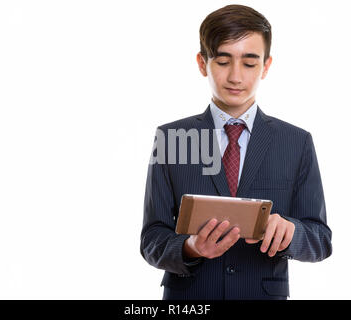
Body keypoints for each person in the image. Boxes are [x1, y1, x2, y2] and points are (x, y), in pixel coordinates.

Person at [140, 4, 332, 300]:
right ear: (202, 63)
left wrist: (290, 232)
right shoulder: (172, 138)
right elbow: (152, 239)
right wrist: (191, 247)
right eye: (223, 61)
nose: (235, 77)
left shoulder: (296, 142)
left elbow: (320, 240)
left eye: (249, 63)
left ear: (266, 67)